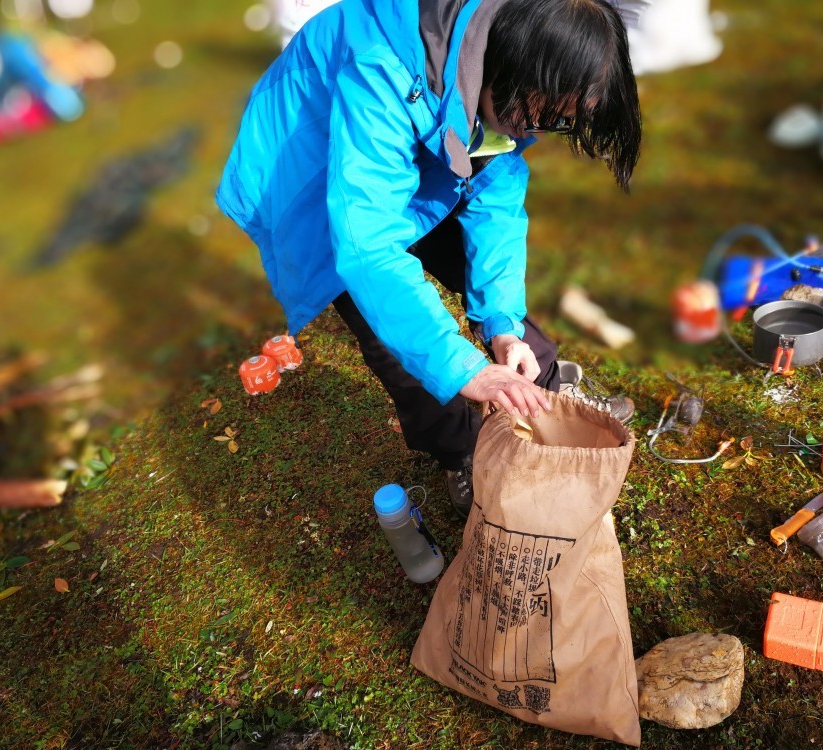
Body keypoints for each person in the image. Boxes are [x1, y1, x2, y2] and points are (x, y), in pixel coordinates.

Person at [217, 0, 643, 519]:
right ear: (513, 72)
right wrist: (462, 367)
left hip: (421, 150)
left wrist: (503, 326)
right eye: (547, 116)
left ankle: (548, 391)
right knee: (390, 331)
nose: (542, 129)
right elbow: (368, 244)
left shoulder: (513, 66)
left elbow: (496, 205)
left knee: (483, 291)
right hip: (315, 180)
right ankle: (462, 453)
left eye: (560, 122)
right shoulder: (382, 67)